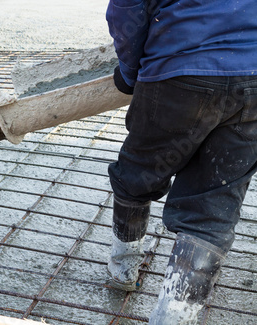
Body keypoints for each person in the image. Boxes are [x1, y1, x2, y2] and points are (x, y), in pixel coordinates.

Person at [105, 0, 257, 324]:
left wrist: (129, 74)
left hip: (180, 72)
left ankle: (122, 271)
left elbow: (126, 8)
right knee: (211, 213)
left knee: (137, 175)